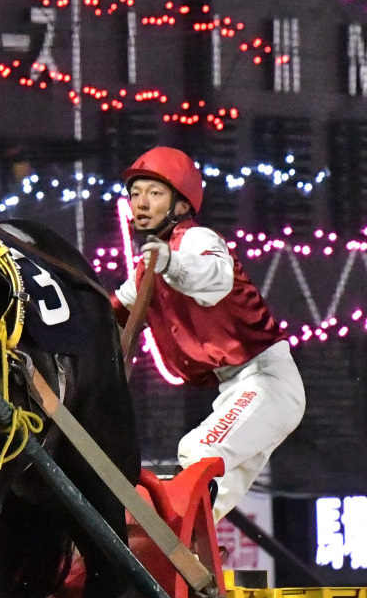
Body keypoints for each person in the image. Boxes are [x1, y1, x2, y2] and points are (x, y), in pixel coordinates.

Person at [112, 146, 306, 520]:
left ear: (182, 205)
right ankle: (188, 562)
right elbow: (112, 314)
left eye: (154, 193)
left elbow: (215, 278)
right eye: (135, 194)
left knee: (199, 452)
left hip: (266, 382)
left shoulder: (198, 241)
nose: (141, 203)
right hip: (237, 390)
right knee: (202, 508)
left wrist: (170, 262)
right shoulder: (147, 269)